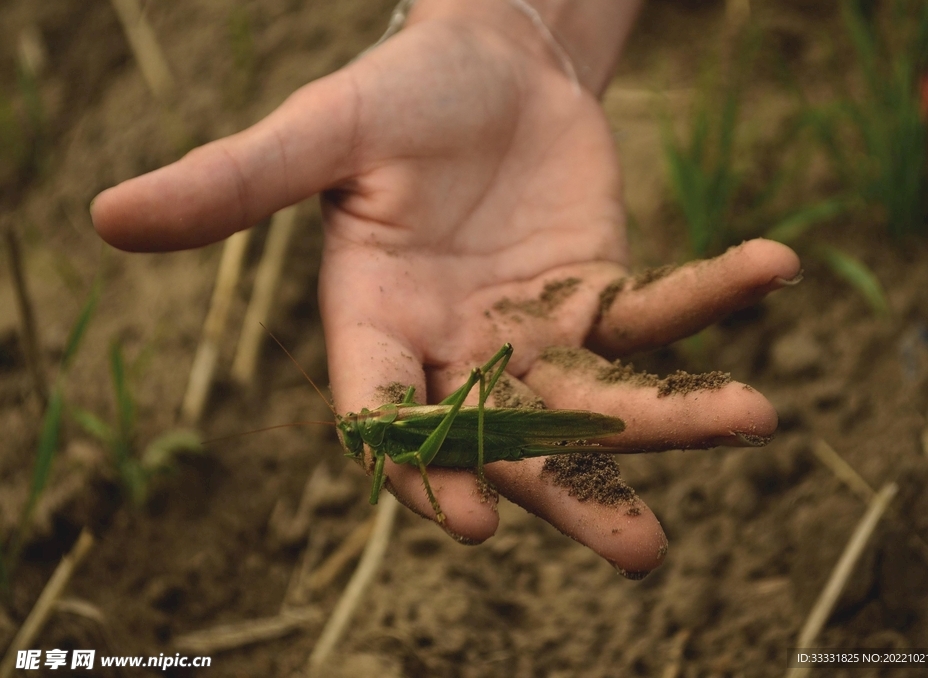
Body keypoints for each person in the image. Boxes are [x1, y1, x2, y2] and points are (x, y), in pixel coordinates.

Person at [90, 0, 801, 578]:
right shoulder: (387, 422)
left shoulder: (392, 427)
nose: (351, 431)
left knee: (472, 427)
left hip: (462, 420)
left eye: (353, 429)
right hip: (463, 423)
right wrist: (503, 25)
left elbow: (419, 469)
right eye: (351, 430)